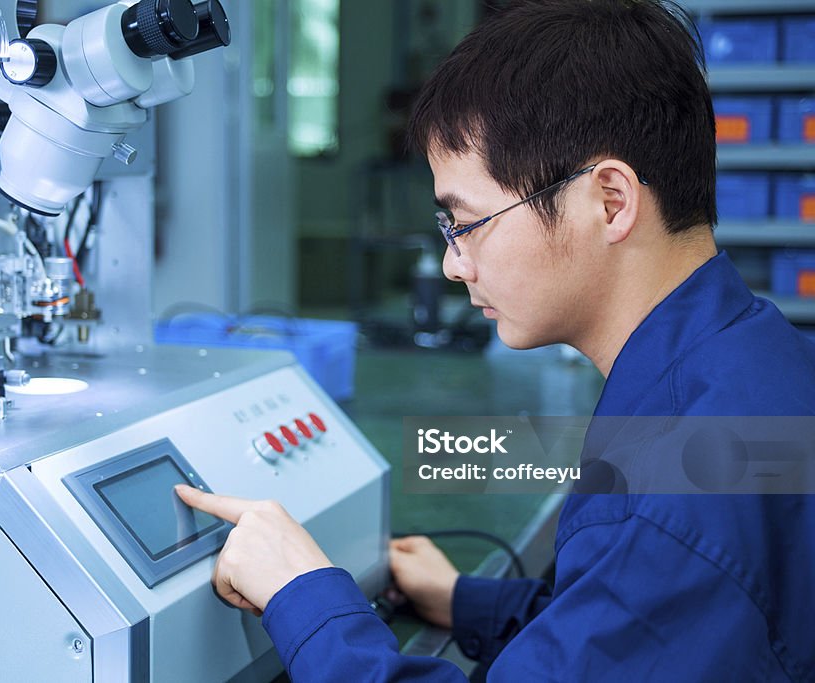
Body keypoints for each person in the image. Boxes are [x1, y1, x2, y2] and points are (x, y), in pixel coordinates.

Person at [176, 0, 815, 680]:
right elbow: (646, 621)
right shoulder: (754, 361)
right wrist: (468, 601)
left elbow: (661, 568)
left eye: (468, 222)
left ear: (610, 202)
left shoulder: (672, 507)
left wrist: (303, 594)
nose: (454, 262)